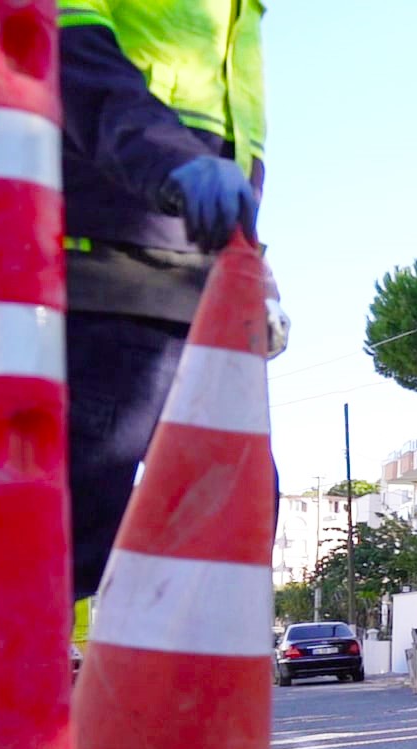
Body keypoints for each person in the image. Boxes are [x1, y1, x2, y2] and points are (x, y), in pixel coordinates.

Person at [58, 0, 277, 600]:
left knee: (237, 532)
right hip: (109, 276)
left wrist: (255, 265)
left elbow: (230, 146)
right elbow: (69, 55)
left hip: (206, 288)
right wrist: (173, 162)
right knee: (68, 539)